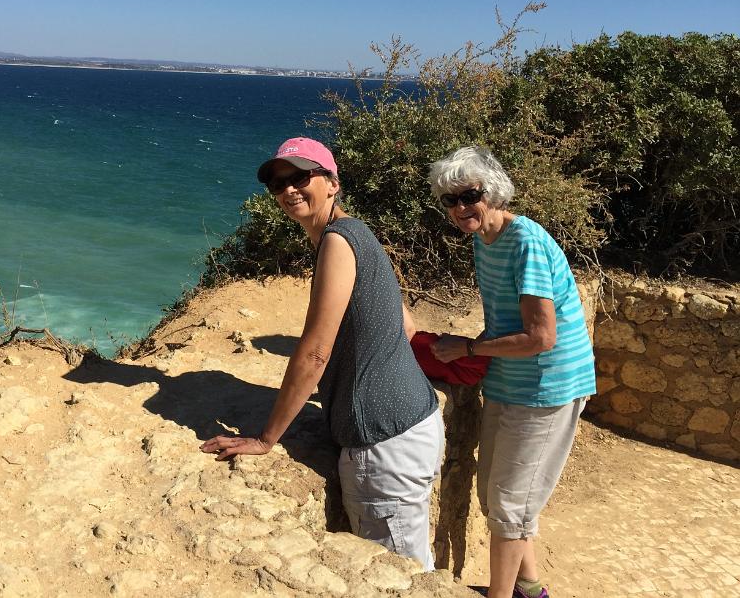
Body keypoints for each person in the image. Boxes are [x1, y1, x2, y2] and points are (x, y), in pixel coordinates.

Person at [200, 137, 444, 569]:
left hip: (382, 444)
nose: (288, 189)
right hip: (415, 423)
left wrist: (265, 439)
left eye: (300, 177)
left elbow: (315, 353)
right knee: (413, 560)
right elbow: (405, 325)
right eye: (278, 184)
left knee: (400, 576)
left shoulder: (336, 242)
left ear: (332, 183)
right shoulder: (358, 231)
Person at [428, 146, 596, 598]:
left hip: (547, 385)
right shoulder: (484, 241)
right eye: (450, 199)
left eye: (470, 196)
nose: (461, 207)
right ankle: (529, 588)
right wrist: (469, 351)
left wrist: (469, 347)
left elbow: (541, 336)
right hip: (508, 379)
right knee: (495, 496)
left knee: (510, 507)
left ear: (493, 192)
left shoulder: (526, 242)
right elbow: (505, 320)